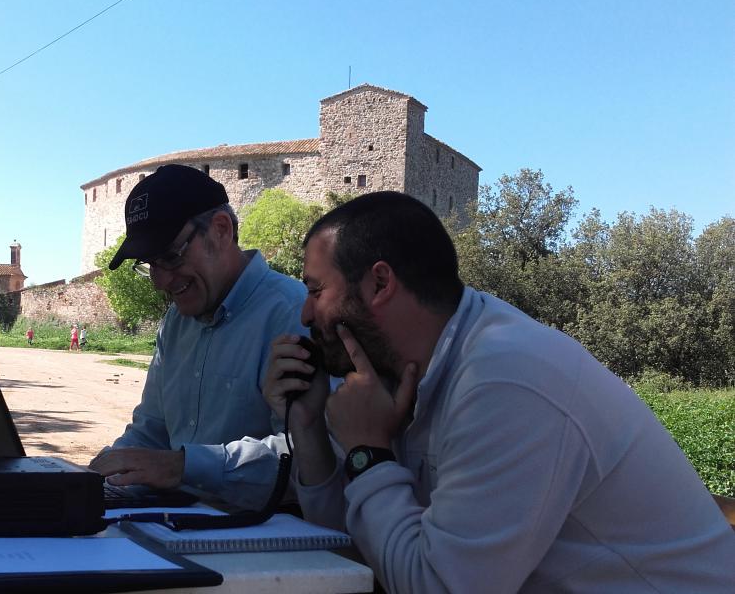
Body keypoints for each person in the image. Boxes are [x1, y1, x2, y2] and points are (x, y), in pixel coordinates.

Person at [262, 191, 735, 592]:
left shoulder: (505, 378)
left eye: (315, 291)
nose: (304, 315)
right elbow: (352, 549)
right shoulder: (403, 379)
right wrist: (308, 425)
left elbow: (438, 587)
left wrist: (369, 454)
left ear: (380, 283)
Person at [88, 164, 307, 510]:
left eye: (170, 257)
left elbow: (309, 458)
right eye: (149, 264)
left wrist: (183, 467)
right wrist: (93, 480)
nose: (159, 281)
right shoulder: (175, 322)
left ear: (221, 230)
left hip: (259, 535)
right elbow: (151, 433)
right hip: (174, 526)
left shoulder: (295, 315)